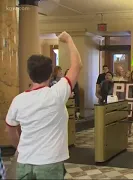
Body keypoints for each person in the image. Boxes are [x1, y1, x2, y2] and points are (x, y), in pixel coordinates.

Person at [5, 31, 82, 179]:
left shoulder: (18, 100)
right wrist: (68, 40)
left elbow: (10, 129)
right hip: (49, 163)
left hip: (24, 162)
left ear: (29, 73)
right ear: (50, 74)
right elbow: (77, 65)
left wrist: (20, 147)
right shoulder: (57, 94)